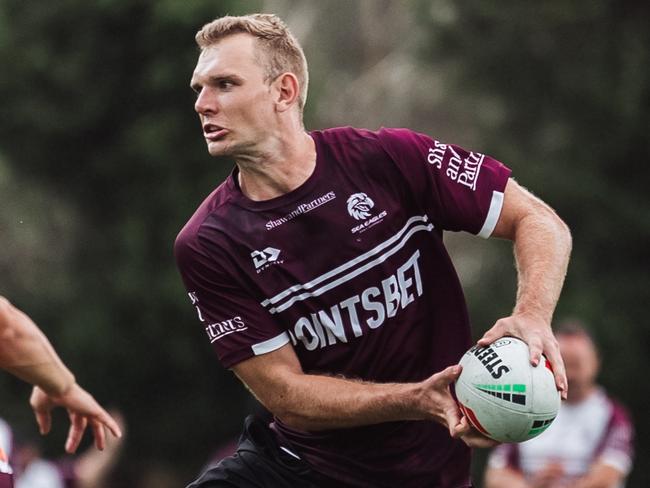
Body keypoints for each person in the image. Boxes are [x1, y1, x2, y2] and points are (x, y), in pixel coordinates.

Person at [174, 13, 572, 488]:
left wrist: (531, 314)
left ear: (283, 91)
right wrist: (415, 398)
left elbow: (538, 219)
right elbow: (287, 394)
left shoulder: (388, 159)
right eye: (199, 88)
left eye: (224, 84)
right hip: (298, 469)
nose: (202, 103)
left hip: (428, 474)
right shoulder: (207, 242)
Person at [484, 322, 634, 488]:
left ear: (596, 361)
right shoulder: (520, 407)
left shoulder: (612, 413)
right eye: (563, 362)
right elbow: (496, 475)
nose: (570, 373)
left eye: (576, 363)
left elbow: (608, 475)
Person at [0, 296, 122, 488]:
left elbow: (7, 329)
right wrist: (62, 386)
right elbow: (7, 329)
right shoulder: (5, 438)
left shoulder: (39, 473)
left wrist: (62, 385)